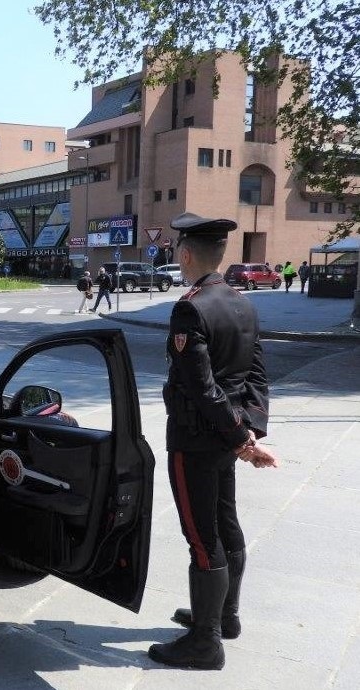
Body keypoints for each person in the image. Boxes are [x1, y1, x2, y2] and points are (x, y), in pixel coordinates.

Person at [149, 212, 279, 671]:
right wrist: (249, 430)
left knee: (203, 539)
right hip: (226, 439)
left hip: (196, 441)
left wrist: (242, 438)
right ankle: (224, 616)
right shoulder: (243, 303)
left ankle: (205, 644)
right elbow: (257, 377)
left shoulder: (191, 308)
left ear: (186, 255)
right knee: (226, 525)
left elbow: (203, 389)